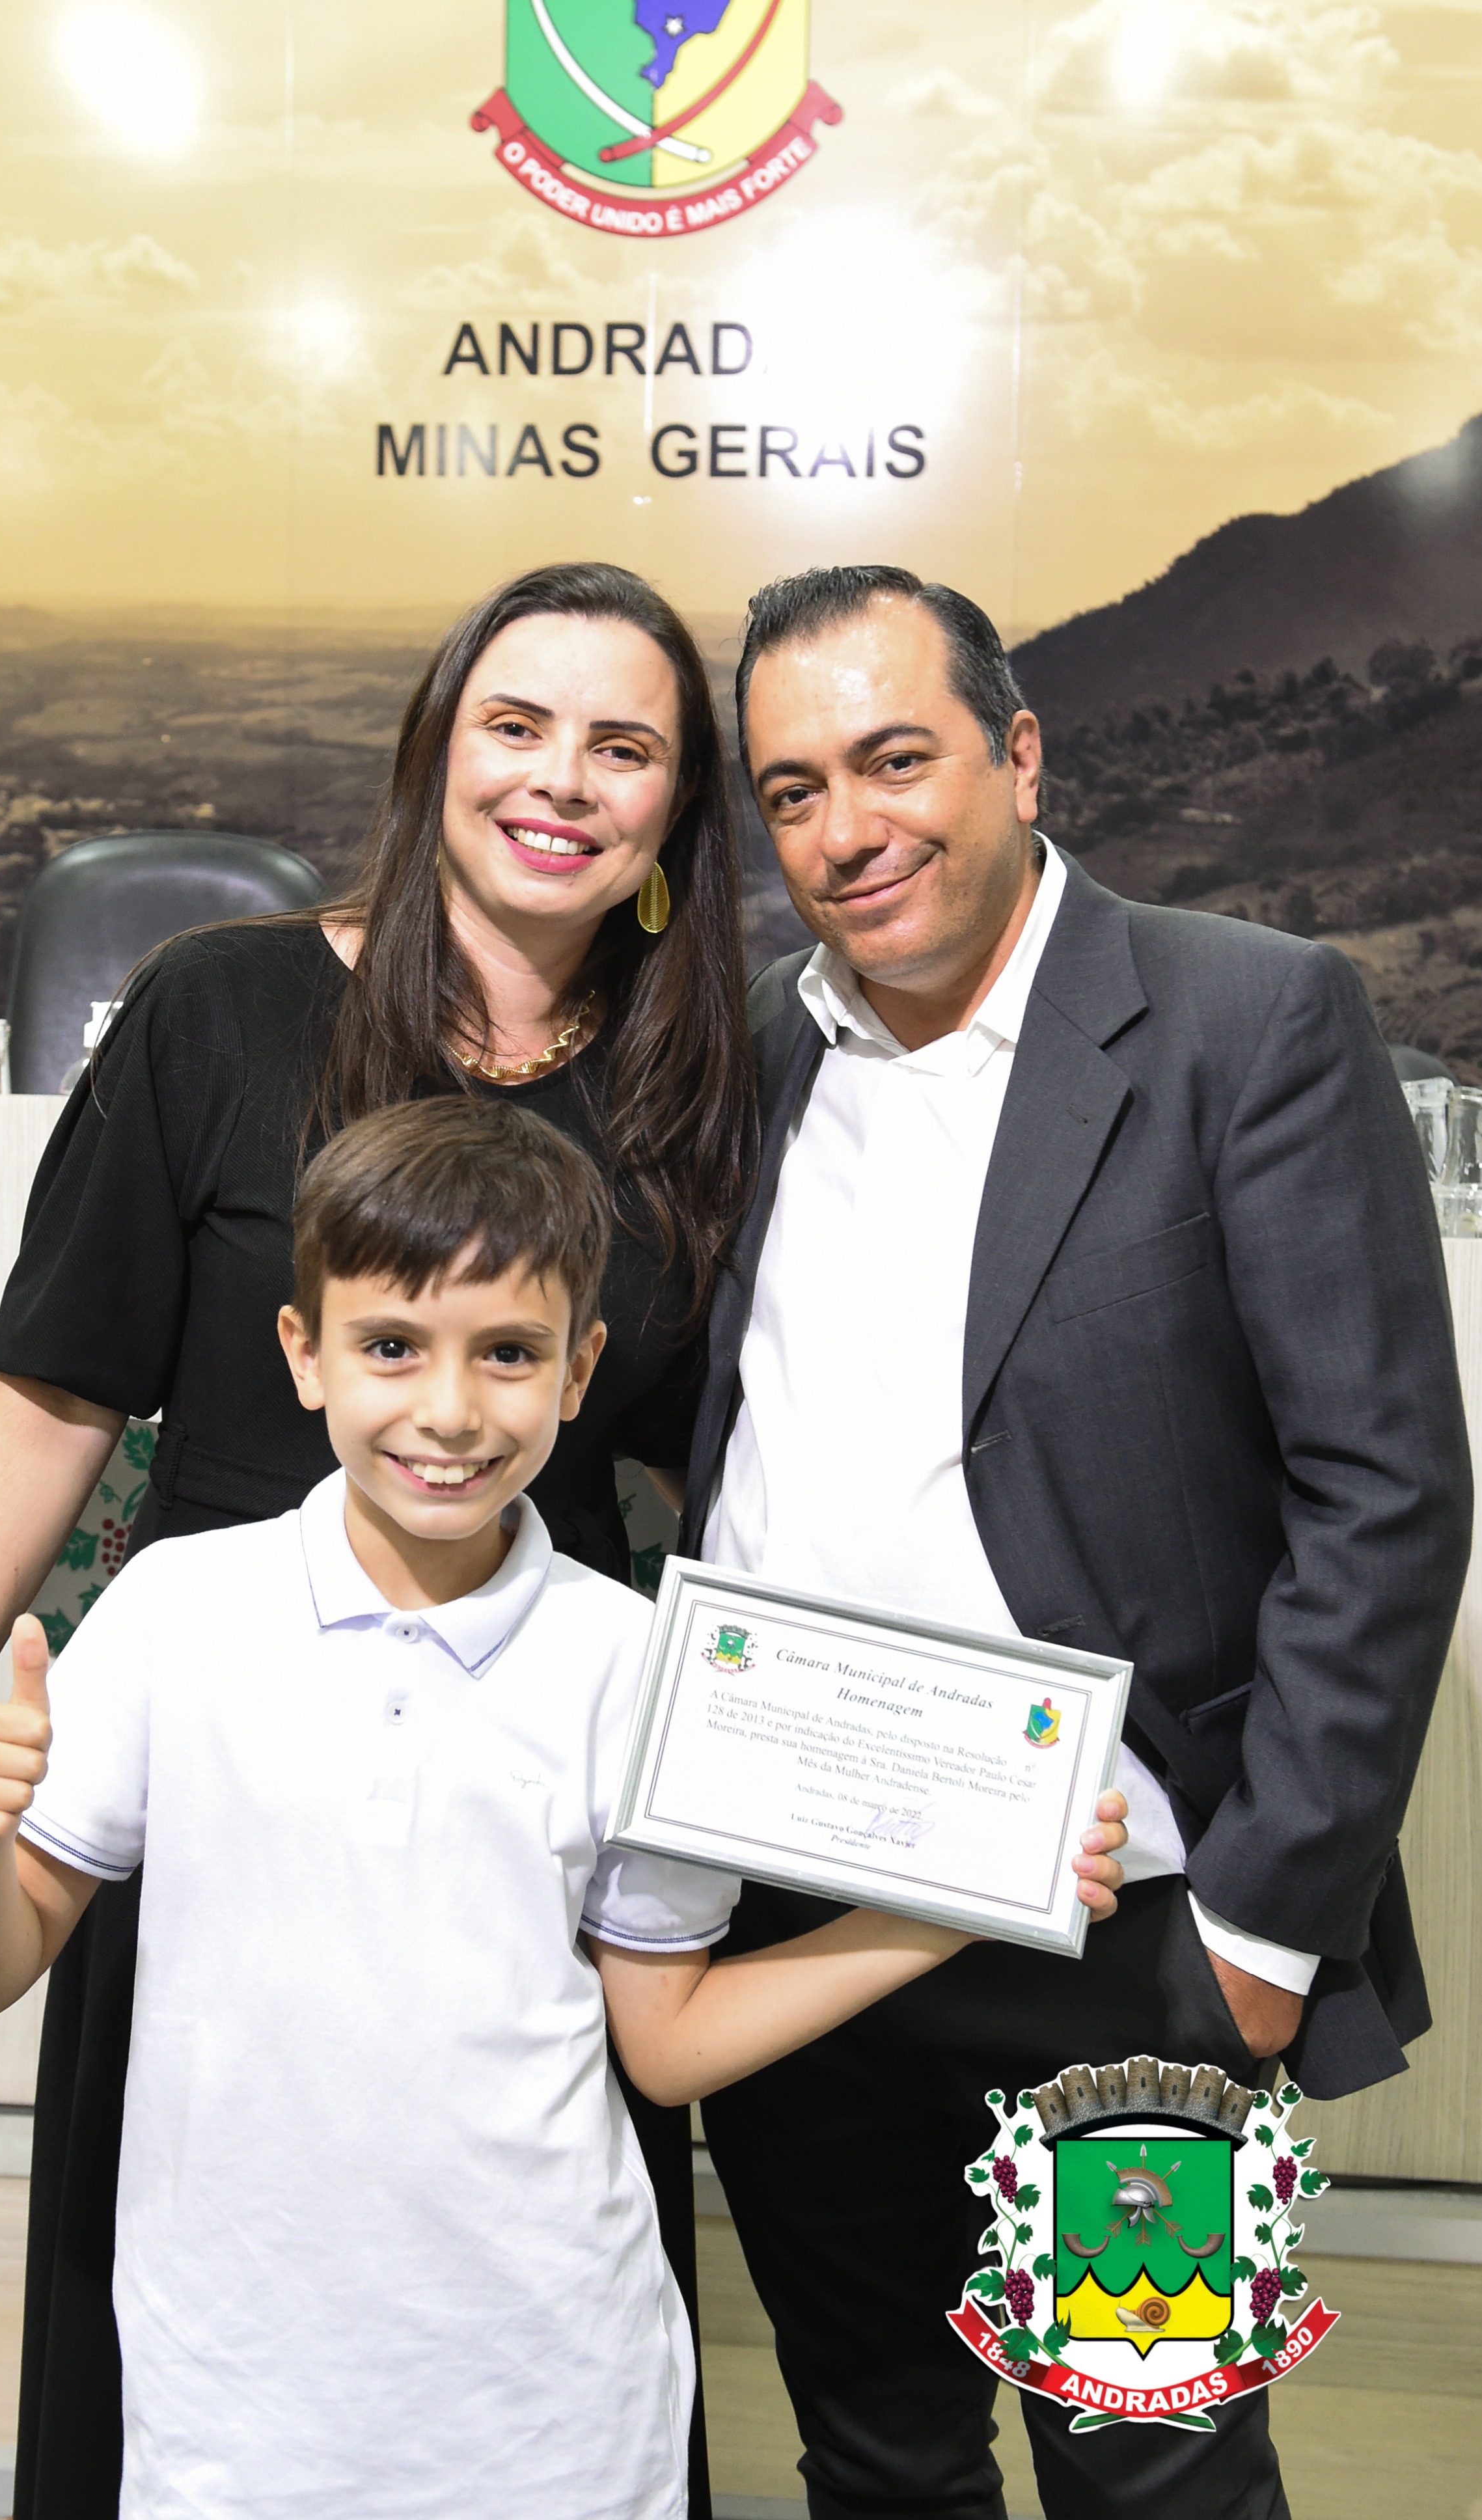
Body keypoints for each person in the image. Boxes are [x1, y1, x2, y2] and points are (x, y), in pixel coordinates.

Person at [0, 563, 757, 2519]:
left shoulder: (701, 1084)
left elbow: (732, 1461)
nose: (560, 780)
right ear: (436, 750)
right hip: (212, 1771)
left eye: (623, 748)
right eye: (515, 726)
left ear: (676, 813)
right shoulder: (220, 1007)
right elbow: (53, 1404)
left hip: (527, 1784)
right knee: (193, 2326)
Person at [0, 1097, 1130, 2520]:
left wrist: (962, 1902)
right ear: (303, 1354)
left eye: (507, 1352)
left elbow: (666, 2046)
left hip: (554, 2405)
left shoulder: (637, 1663)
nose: (449, 1410)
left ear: (579, 1370)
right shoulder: (176, 1611)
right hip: (234, 2402)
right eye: (390, 1346)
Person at [680, 565, 1472, 2520]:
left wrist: (1253, 1946)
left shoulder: (1246, 1018)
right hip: (800, 1929)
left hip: (1123, 1958)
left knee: (1158, 2489)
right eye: (792, 791)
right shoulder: (760, 1054)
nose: (846, 830)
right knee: (876, 2461)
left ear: (1020, 756)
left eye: (894, 760)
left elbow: (1383, 1493)